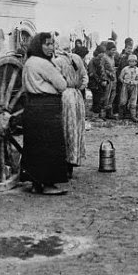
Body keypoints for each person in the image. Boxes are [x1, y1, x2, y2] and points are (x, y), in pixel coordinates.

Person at [21, 32, 69, 195]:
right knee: (50, 145)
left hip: (32, 105)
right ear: (38, 45)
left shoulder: (28, 62)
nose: (50, 47)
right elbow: (62, 85)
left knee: (35, 145)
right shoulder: (44, 64)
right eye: (47, 44)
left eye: (52, 44)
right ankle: (49, 185)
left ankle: (36, 183)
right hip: (48, 106)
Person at [53, 45, 89, 177]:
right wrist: (80, 86)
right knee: (75, 128)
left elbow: (54, 81)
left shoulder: (57, 61)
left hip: (64, 96)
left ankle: (63, 164)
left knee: (65, 129)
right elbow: (85, 77)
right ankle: (72, 163)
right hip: (76, 95)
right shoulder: (77, 58)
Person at [118, 53, 138, 122]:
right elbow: (120, 77)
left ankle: (133, 116)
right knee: (123, 100)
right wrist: (124, 81)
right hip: (126, 86)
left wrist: (137, 82)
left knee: (133, 100)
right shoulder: (125, 69)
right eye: (130, 61)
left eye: (133, 61)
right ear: (128, 62)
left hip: (134, 86)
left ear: (136, 62)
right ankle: (121, 115)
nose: (132, 63)